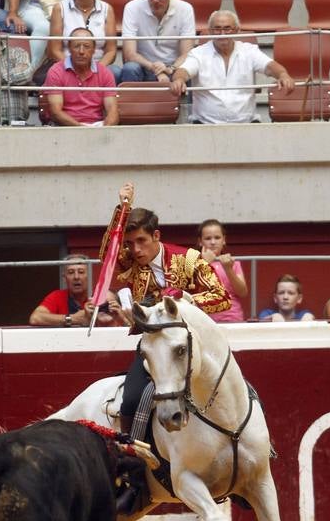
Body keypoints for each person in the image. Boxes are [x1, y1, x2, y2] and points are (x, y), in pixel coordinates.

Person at [105, 181, 230, 434]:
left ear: (156, 236)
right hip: (153, 345)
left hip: (193, 344)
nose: (135, 249)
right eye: (130, 243)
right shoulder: (129, 260)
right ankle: (133, 456)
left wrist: (185, 298)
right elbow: (109, 250)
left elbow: (222, 297)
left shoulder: (188, 259)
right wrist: (123, 208)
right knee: (130, 400)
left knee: (233, 390)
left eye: (141, 241)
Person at [170, 10, 294, 123]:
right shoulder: (198, 53)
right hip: (205, 125)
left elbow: (270, 66)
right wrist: (179, 80)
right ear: (210, 31)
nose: (222, 33)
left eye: (227, 28)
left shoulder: (250, 51)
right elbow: (184, 70)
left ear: (236, 30)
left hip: (247, 124)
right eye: (217, 29)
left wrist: (283, 75)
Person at [120, 0, 196, 83]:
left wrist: (170, 69)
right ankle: (130, 101)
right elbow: (129, 54)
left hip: (172, 68)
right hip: (144, 66)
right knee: (130, 68)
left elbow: (186, 53)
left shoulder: (185, 9)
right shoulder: (132, 7)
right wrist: (156, 69)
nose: (155, 0)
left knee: (188, 69)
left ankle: (186, 102)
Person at [48, 0, 120, 80]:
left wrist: (95, 71)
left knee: (115, 72)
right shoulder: (59, 8)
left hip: (98, 66)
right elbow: (54, 50)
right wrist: (73, 68)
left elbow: (111, 51)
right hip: (68, 66)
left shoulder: (107, 9)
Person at [44, 27, 119, 125]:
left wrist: (105, 131)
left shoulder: (104, 72)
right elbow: (56, 112)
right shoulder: (56, 71)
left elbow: (112, 111)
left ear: (93, 50)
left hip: (97, 126)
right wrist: (82, 131)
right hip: (66, 126)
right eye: (76, 46)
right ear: (69, 48)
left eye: (87, 46)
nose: (81, 51)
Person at [29, 256, 128, 326]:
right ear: (64, 277)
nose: (76, 277)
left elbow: (114, 321)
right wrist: (74, 319)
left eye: (81, 272)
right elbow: (35, 318)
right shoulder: (56, 296)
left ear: (89, 275)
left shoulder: (101, 296)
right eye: (71, 272)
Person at [197, 218, 247, 322]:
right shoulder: (193, 263)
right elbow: (192, 292)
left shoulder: (232, 263)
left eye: (217, 237)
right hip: (205, 321)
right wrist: (205, 264)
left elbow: (242, 292)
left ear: (224, 240)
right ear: (200, 242)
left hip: (232, 319)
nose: (213, 242)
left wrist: (228, 269)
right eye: (208, 238)